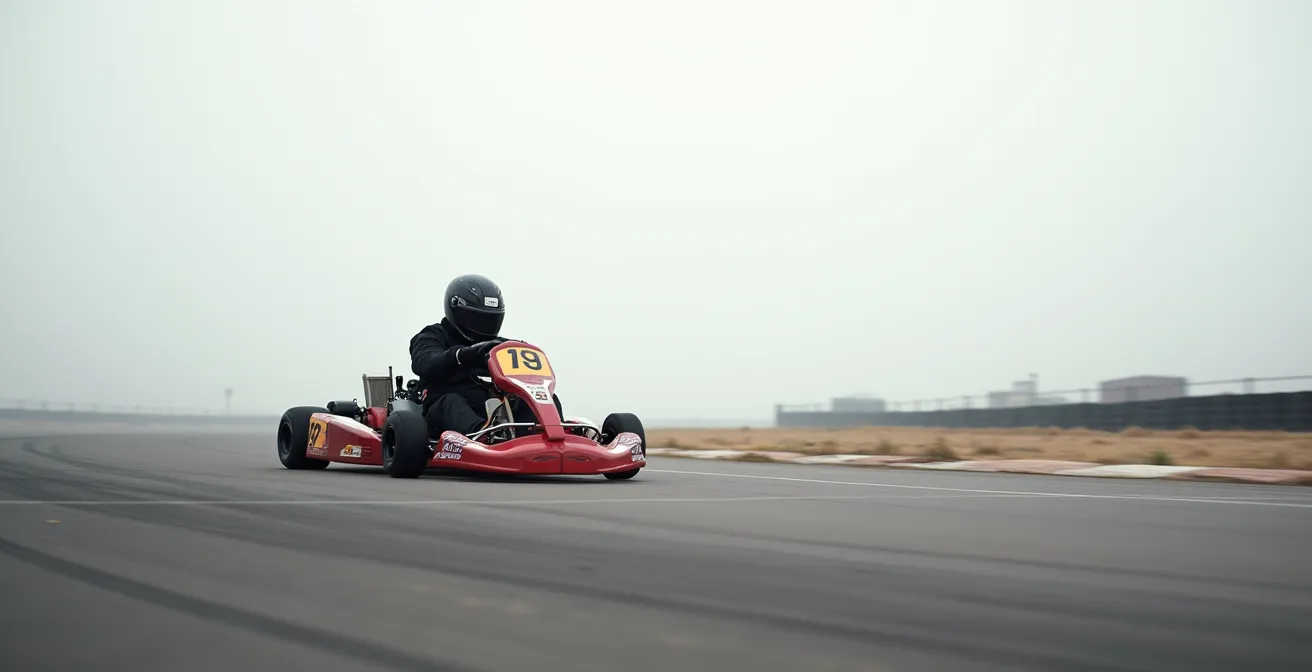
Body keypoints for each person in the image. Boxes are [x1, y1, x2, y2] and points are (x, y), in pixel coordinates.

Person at [409, 273, 562, 440]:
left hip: (491, 409)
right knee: (451, 402)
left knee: (542, 398)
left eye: (490, 319)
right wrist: (461, 355)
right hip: (443, 412)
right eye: (477, 318)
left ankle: (553, 435)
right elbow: (424, 362)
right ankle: (484, 436)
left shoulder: (499, 345)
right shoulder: (433, 335)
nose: (483, 326)